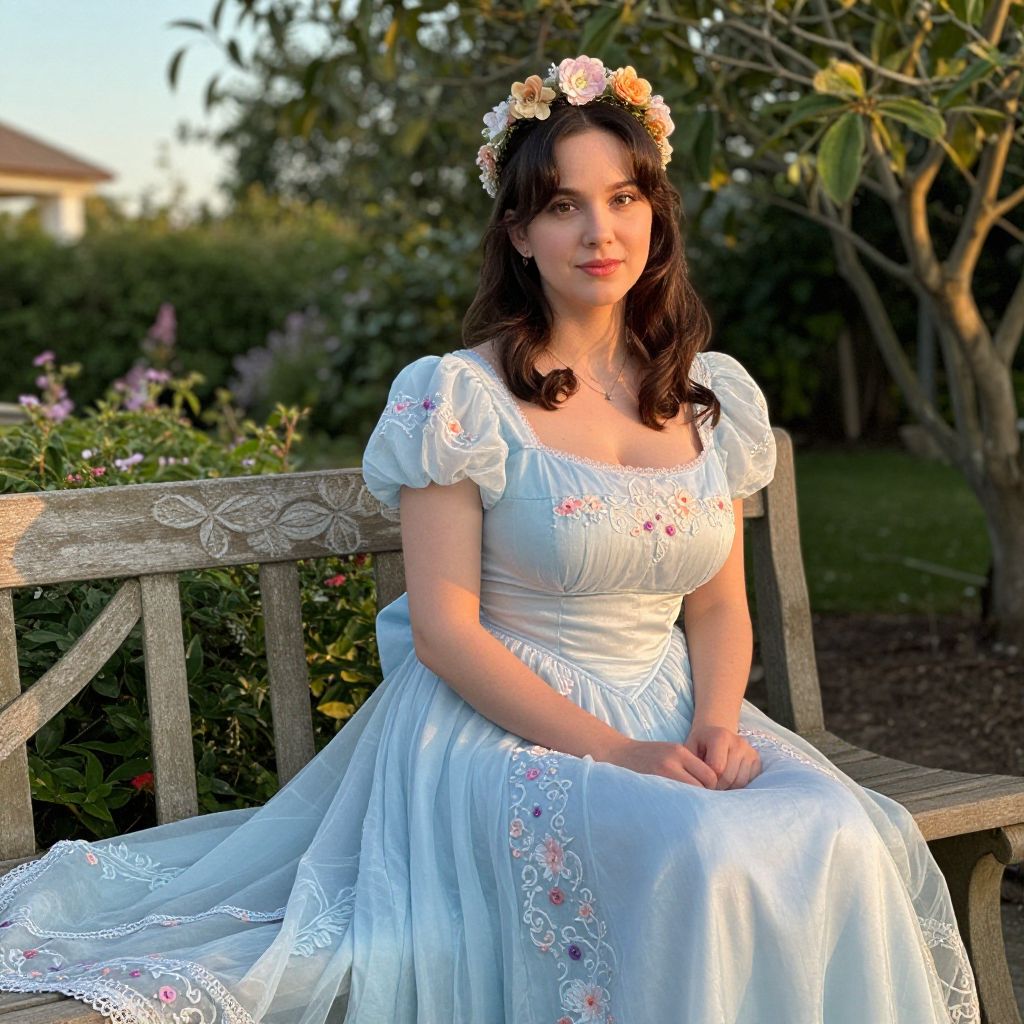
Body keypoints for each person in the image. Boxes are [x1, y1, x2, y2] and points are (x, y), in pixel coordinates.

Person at [0, 54, 980, 1024]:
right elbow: (445, 631)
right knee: (703, 854)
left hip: (678, 700)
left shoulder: (702, 395)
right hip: (500, 722)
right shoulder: (458, 395)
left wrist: (715, 723)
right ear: (517, 229)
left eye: (624, 198)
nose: (601, 230)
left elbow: (718, 604)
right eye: (563, 206)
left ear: (656, 214)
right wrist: (618, 753)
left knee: (836, 833)